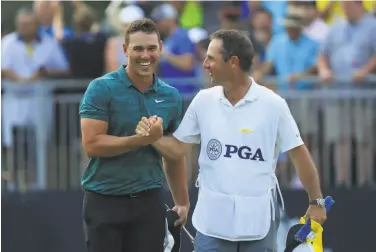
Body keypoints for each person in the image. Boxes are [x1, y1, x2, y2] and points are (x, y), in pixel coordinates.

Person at [135, 29, 327, 252]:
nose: (204, 63)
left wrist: (317, 202)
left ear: (233, 62)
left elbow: (299, 154)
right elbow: (177, 150)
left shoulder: (273, 104)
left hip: (258, 222)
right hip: (211, 223)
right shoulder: (203, 100)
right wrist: (153, 138)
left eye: (211, 58)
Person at [79, 19, 189, 252]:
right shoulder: (101, 88)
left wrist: (182, 202)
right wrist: (142, 140)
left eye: (151, 48)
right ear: (125, 49)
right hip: (104, 199)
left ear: (160, 47)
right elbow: (92, 145)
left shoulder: (171, 96)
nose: (145, 55)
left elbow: (175, 154)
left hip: (149, 202)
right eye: (138, 48)